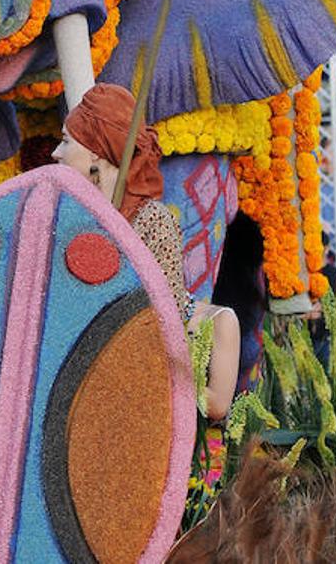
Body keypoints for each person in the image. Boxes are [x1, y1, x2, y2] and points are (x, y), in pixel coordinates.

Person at [52, 83, 239, 420]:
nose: (55, 152)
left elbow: (157, 320)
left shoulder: (152, 220)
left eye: (65, 141)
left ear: (95, 152)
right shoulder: (62, 220)